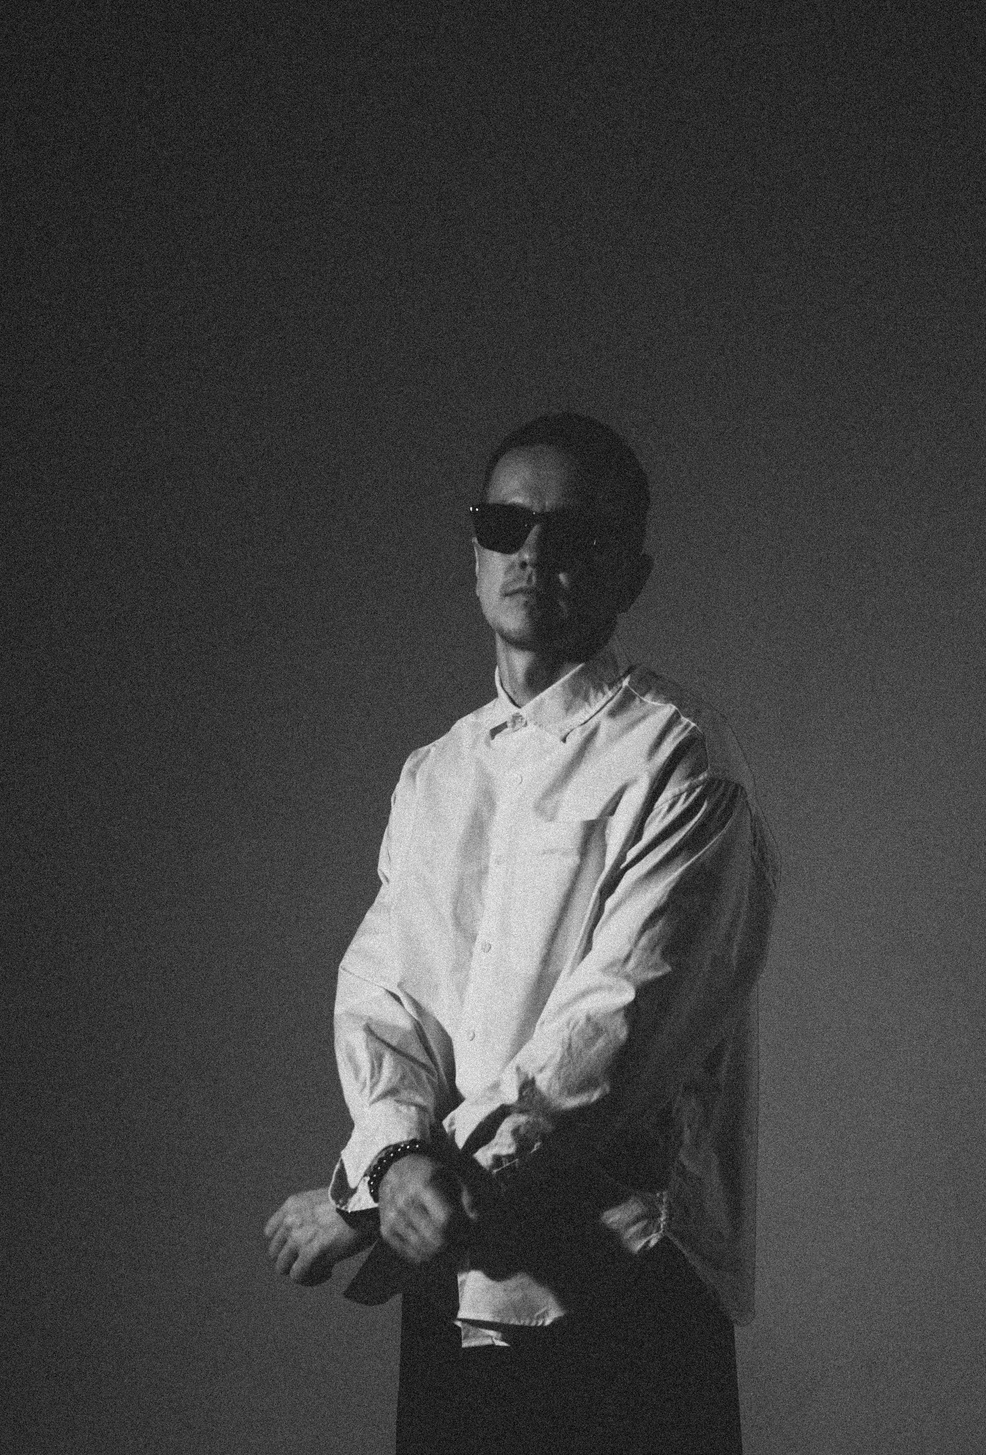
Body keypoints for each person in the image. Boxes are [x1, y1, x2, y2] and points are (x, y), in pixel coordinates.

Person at [265, 413, 778, 1454]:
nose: (532, 553)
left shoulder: (680, 761)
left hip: (623, 1300)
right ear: (475, 551)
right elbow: (385, 999)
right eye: (505, 525)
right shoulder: (435, 773)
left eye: (574, 533)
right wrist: (396, 1166)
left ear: (632, 573)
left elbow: (616, 1037)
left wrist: (382, 1196)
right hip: (452, 1291)